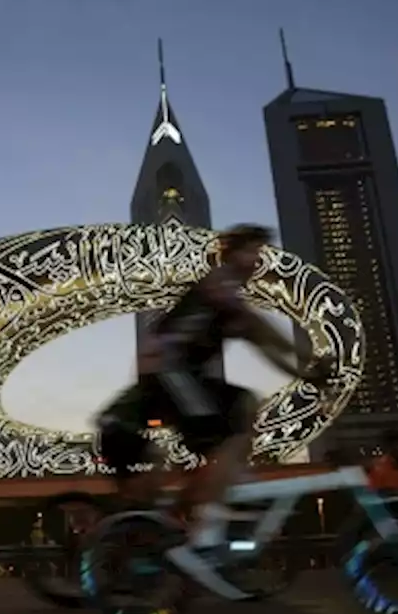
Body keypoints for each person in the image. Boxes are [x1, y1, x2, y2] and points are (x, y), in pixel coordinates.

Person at [95, 224, 331, 581]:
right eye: (253, 251)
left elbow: (264, 344)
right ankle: (205, 529)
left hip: (181, 375)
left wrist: (303, 371)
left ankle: (190, 510)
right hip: (169, 371)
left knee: (241, 408)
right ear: (231, 253)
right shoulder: (219, 283)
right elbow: (259, 329)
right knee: (229, 425)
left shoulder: (226, 299)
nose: (258, 261)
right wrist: (305, 363)